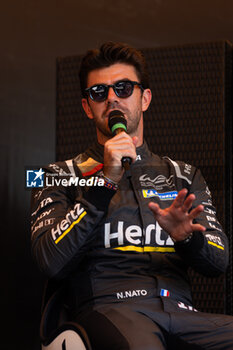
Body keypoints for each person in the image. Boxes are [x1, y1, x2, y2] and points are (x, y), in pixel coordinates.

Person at [31, 41, 233, 350]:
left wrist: (187, 238)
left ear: (145, 98)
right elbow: (49, 260)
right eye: (99, 93)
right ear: (87, 107)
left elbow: (219, 262)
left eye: (124, 88)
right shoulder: (54, 175)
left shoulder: (184, 174)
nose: (112, 98)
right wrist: (105, 181)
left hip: (182, 313)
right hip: (108, 311)